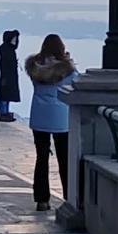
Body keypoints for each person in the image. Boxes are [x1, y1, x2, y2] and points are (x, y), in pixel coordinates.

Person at [25, 34, 77, 208]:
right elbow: (76, 83)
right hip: (61, 117)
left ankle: (41, 199)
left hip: (39, 116)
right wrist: (69, 62)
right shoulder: (66, 69)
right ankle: (69, 196)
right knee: (64, 159)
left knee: (41, 158)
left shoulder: (35, 67)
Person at [0, 29, 21, 122]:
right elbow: (3, 65)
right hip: (5, 77)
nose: (15, 41)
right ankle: (3, 113)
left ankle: (5, 112)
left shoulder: (8, 49)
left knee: (6, 97)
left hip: (8, 77)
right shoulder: (5, 50)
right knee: (4, 96)